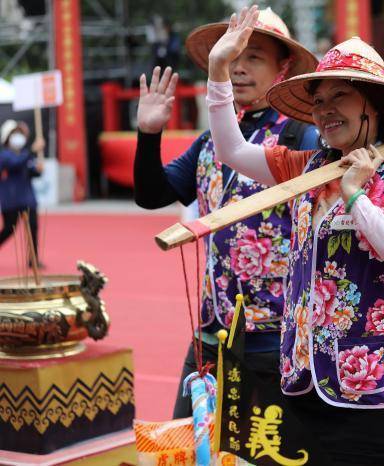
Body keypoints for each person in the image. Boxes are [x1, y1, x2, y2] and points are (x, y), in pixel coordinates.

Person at [207, 6, 384, 465]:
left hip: (375, 388)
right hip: (305, 378)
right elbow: (231, 149)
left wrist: (358, 199)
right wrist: (219, 69)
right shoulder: (309, 168)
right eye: (318, 100)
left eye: (340, 95)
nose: (325, 110)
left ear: (372, 103)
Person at [133, 7, 319, 419]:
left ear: (283, 67)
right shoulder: (209, 141)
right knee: (187, 442)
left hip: (276, 335)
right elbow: (152, 194)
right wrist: (148, 134)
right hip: (213, 328)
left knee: (266, 455)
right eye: (232, 57)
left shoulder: (301, 136)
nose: (239, 68)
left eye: (254, 57)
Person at [0, 119, 44, 267]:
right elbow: (15, 164)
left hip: (28, 198)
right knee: (9, 229)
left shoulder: (25, 154)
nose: (18, 136)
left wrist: (38, 170)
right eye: (14, 134)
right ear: (7, 137)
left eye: (20, 133)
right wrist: (32, 150)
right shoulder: (4, 155)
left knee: (33, 228)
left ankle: (33, 259)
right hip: (11, 200)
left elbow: (30, 171)